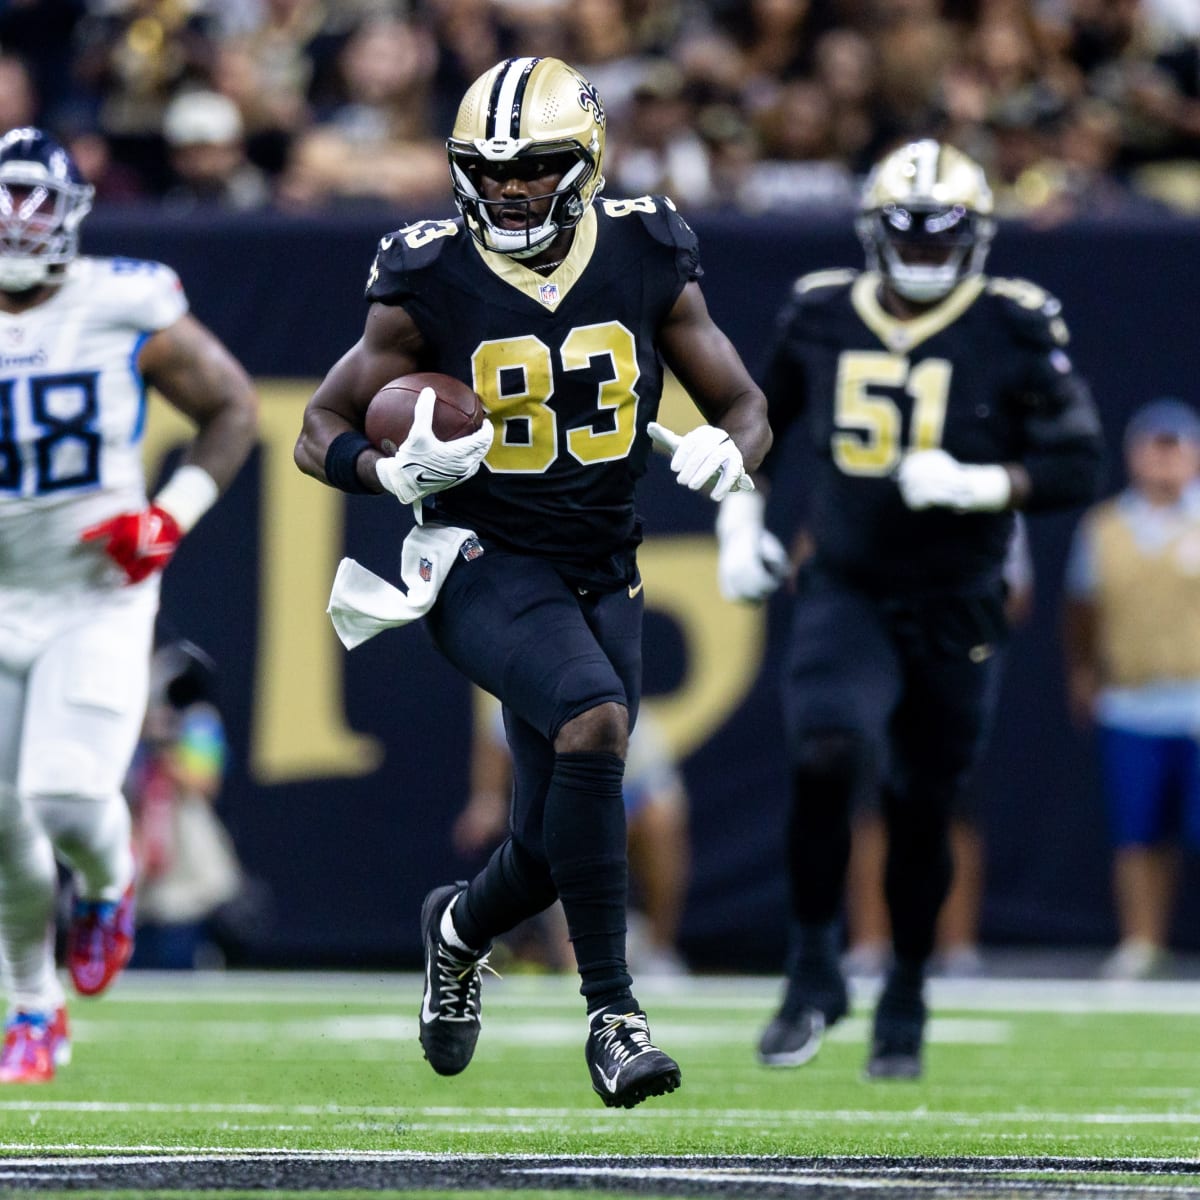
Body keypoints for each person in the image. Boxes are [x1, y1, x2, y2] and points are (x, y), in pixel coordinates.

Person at [295, 55, 770, 1108]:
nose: (509, 187)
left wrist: (730, 452)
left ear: (585, 161)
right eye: (490, 168)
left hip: (606, 565)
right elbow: (315, 427)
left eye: (535, 166)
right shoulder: (427, 270)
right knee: (597, 721)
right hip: (479, 559)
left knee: (551, 843)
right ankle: (614, 1015)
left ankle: (459, 928)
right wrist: (385, 470)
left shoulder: (646, 247)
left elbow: (744, 402)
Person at [715, 139, 1102, 1079]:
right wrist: (740, 524)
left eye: (943, 232)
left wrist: (979, 483)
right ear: (871, 231)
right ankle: (812, 969)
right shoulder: (818, 311)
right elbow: (754, 427)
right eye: (907, 229)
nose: (925, 247)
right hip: (847, 582)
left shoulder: (1012, 323)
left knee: (923, 805)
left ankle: (909, 989)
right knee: (824, 751)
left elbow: (1076, 461)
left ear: (976, 237)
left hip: (957, 598)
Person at [0, 128, 258, 1084]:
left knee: (64, 797)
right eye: (5, 198)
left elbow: (232, 405)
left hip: (94, 595)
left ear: (70, 215)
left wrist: (168, 516)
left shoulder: (121, 301)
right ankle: (34, 1009)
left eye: (35, 200)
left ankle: (109, 886)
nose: (18, 221)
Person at [843, 515, 1036, 980]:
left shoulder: (991, 485)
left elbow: (1017, 589)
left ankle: (957, 947)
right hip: (881, 658)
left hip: (954, 657)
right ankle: (871, 942)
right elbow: (823, 562)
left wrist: (965, 633)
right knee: (873, 803)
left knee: (955, 804)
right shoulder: (867, 470)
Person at [1063, 397, 1200, 981]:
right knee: (1137, 830)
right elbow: (1081, 609)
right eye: (1155, 446)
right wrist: (1085, 674)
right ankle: (1141, 940)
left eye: (1177, 446)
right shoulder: (1106, 526)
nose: (1165, 460)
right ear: (1134, 455)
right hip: (1133, 699)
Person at [456, 691, 690, 978]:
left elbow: (660, 804)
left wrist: (607, 826)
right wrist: (487, 799)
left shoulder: (637, 728)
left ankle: (656, 951)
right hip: (552, 819)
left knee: (660, 822)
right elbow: (495, 741)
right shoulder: (529, 703)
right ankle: (554, 948)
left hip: (613, 820)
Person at [126, 640, 243, 970]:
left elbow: (205, 782)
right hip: (141, 834)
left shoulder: (198, 720)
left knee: (179, 940)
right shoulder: (132, 723)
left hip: (184, 838)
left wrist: (168, 750)